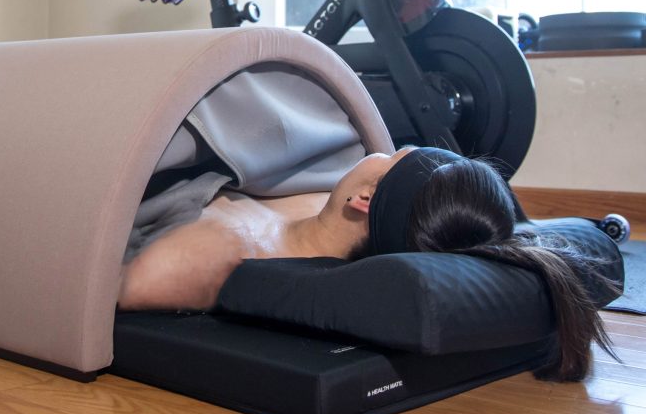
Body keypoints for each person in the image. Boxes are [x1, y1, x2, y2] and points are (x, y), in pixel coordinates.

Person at [118, 146, 620, 382]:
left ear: (364, 199)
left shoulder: (220, 249)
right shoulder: (313, 199)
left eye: (392, 153)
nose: (378, 149)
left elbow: (120, 287)